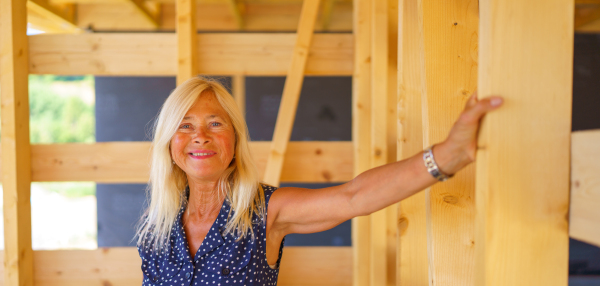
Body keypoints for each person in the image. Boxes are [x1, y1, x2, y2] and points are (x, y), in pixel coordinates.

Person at [135, 76, 503, 285]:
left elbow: (354, 197)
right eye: (185, 125)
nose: (200, 136)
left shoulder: (264, 211)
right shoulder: (157, 227)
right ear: (170, 143)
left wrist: (445, 157)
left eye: (215, 123)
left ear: (235, 140)